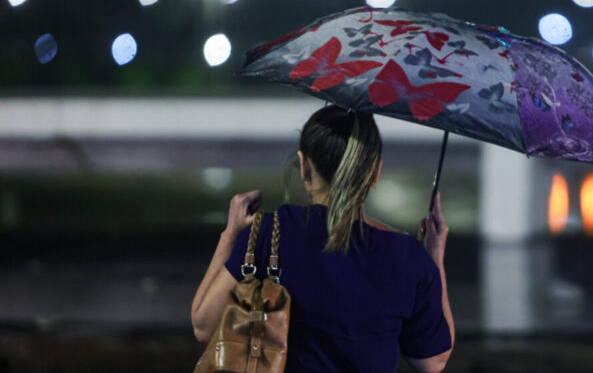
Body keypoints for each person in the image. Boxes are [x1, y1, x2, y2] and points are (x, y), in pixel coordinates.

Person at [191, 105, 454, 372]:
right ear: (375, 172)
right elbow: (434, 361)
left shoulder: (272, 231)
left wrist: (231, 234)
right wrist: (435, 258)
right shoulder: (408, 258)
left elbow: (203, 326)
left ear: (304, 166)